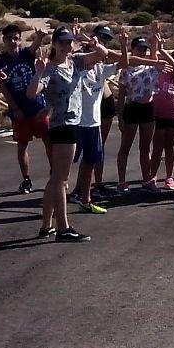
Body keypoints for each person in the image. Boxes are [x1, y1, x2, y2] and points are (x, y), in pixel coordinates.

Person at [28, 26, 122, 241]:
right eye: (61, 42)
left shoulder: (75, 61)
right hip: (62, 124)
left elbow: (102, 54)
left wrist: (90, 40)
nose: (66, 46)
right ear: (54, 44)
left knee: (56, 178)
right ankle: (63, 228)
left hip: (73, 123)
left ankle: (46, 225)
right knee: (61, 179)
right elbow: (31, 93)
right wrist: (39, 72)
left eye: (69, 42)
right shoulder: (50, 69)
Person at [0, 22, 50, 194]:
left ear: (20, 40)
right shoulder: (0, 60)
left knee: (49, 140)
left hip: (38, 107)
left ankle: (55, 173)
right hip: (20, 111)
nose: (13, 42)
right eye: (9, 38)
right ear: (4, 40)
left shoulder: (26, 54)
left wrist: (40, 36)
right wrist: (14, 108)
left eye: (16, 38)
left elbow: (34, 46)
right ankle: (26, 179)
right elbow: (3, 86)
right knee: (22, 145)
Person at [71, 25, 121, 213]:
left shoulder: (100, 67)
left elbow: (118, 60)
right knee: (71, 161)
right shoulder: (78, 60)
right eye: (100, 38)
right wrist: (84, 40)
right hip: (78, 120)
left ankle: (87, 195)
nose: (103, 42)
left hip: (95, 118)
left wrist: (122, 45)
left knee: (91, 159)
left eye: (106, 39)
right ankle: (74, 194)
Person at [142, 28, 174, 192]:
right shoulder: (162, 72)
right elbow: (154, 58)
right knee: (157, 148)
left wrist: (163, 48)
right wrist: (157, 45)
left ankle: (169, 177)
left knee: (169, 147)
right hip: (159, 115)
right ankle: (152, 176)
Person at [113, 36, 159, 193]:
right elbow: (121, 96)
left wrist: (154, 40)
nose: (142, 51)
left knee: (145, 147)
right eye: (139, 48)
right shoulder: (126, 70)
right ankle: (121, 181)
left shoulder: (150, 66)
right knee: (125, 147)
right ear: (132, 49)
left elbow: (155, 56)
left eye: (144, 49)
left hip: (147, 109)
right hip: (132, 108)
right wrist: (120, 118)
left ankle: (147, 180)